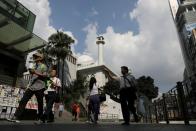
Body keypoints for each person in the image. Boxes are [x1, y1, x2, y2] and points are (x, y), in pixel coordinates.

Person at [8, 53, 47, 123]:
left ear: (41, 58)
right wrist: (31, 71)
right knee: (23, 100)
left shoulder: (43, 66)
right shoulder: (34, 65)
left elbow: (45, 75)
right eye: (34, 56)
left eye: (36, 56)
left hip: (40, 87)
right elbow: (32, 74)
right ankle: (16, 116)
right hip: (31, 87)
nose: (35, 57)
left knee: (40, 103)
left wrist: (35, 72)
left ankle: (41, 119)